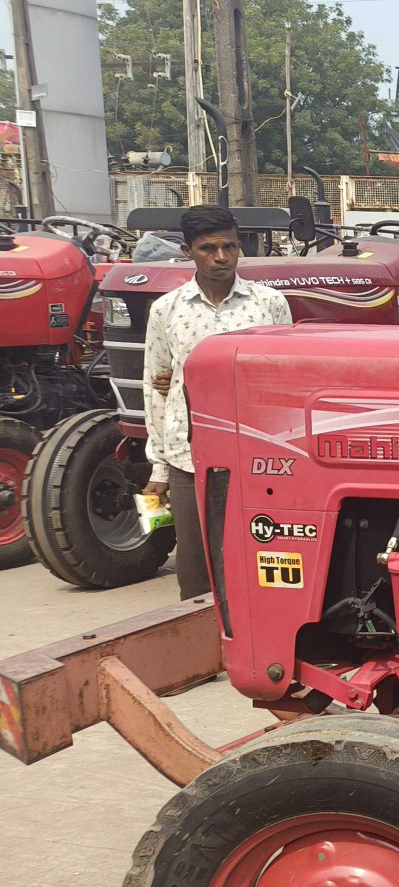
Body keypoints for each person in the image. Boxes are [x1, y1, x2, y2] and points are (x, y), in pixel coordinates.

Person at [142, 205, 291, 597]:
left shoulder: (269, 304)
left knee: (260, 558)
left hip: (255, 455)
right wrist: (159, 467)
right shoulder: (167, 310)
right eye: (208, 248)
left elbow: (284, 381)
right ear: (188, 251)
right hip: (187, 456)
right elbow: (154, 389)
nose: (221, 257)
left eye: (230, 247)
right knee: (196, 568)